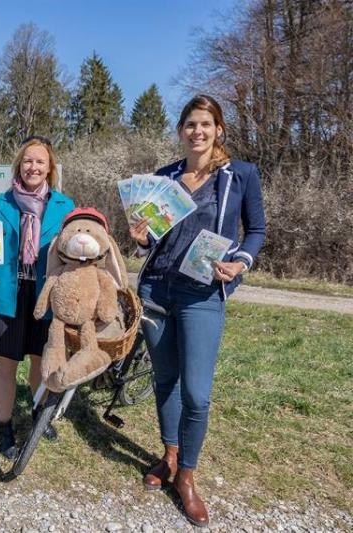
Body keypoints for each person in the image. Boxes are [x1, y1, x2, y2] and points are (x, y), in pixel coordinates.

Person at [129, 94, 266, 527]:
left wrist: (241, 261)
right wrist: (140, 235)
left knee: (197, 393)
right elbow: (153, 237)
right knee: (165, 379)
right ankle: (169, 455)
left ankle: (187, 475)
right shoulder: (165, 176)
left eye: (205, 124)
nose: (197, 132)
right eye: (190, 124)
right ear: (181, 131)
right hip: (156, 289)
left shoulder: (239, 175)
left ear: (218, 129)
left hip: (202, 293)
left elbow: (257, 229)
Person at [0, 136, 75, 459]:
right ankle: (4, 426)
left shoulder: (64, 206)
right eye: (28, 161)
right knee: (6, 364)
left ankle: (39, 417)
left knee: (41, 363)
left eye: (40, 161)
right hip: (8, 295)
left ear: (49, 167)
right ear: (19, 165)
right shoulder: (1, 203)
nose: (33, 167)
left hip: (45, 296)